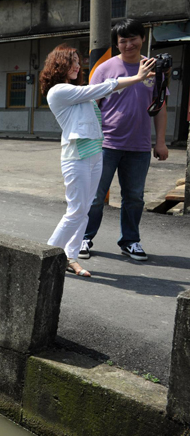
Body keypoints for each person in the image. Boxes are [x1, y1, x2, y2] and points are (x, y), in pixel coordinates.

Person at [41, 44, 154, 277]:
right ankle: (43, 255)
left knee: (85, 211)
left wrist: (140, 81)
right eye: (71, 61)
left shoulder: (78, 90)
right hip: (76, 157)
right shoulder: (58, 91)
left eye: (77, 61)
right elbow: (104, 88)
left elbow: (105, 93)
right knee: (76, 210)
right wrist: (136, 77)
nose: (76, 65)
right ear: (59, 64)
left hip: (94, 155)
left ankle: (70, 257)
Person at [80, 19, 170, 262]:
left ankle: (130, 241)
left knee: (134, 197)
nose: (129, 44)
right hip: (105, 144)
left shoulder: (153, 68)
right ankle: (84, 237)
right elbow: (91, 105)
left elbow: (160, 106)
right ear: (117, 43)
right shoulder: (105, 69)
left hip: (139, 147)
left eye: (133, 39)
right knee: (96, 196)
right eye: (123, 40)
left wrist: (160, 141)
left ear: (143, 38)